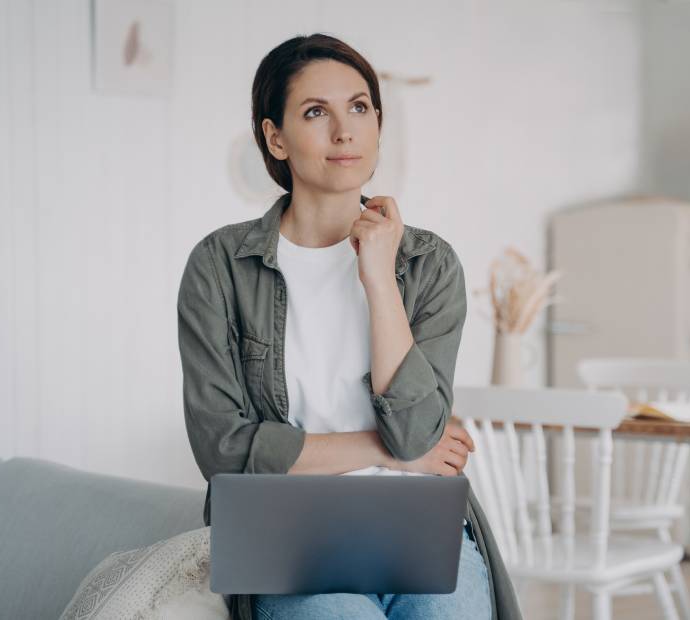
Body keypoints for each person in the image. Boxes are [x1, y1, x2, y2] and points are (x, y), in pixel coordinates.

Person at [176, 33, 522, 619]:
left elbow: (417, 432)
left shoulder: (428, 264)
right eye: (317, 112)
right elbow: (224, 450)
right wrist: (388, 455)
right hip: (291, 533)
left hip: (421, 527)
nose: (345, 132)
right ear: (274, 137)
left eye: (359, 108)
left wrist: (380, 280)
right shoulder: (219, 266)